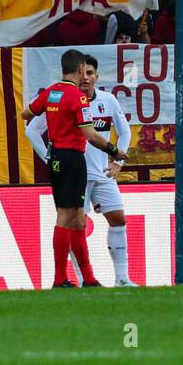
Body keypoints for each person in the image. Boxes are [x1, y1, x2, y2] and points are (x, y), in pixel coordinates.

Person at [26, 54, 136, 286]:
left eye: (90, 74)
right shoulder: (67, 97)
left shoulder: (107, 100)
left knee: (118, 219)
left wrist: (118, 163)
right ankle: (77, 278)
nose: (85, 78)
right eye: (82, 73)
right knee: (75, 221)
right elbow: (32, 130)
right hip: (76, 169)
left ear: (96, 76)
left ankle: (122, 279)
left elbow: (125, 131)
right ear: (77, 72)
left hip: (101, 173)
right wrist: (49, 157)